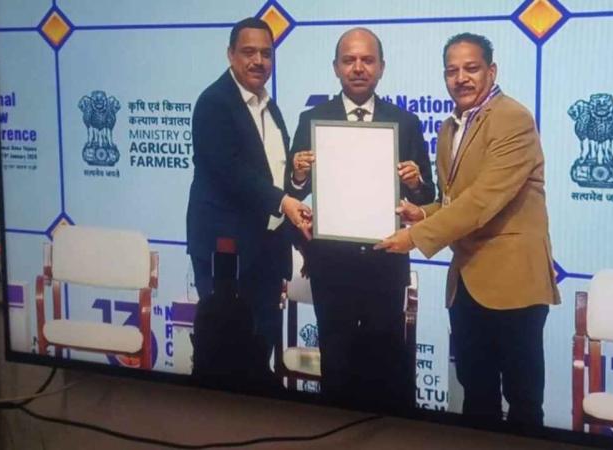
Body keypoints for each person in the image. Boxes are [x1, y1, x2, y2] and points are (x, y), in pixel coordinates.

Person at [375, 32, 560, 426]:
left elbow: (484, 199)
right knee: (476, 394)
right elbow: (453, 201)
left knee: (523, 401)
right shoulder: (448, 127)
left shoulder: (512, 118)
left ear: (491, 71)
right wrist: (422, 213)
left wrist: (416, 237)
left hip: (514, 283)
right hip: (466, 282)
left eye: (471, 68)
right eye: (452, 71)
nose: (461, 78)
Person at [288, 27, 435, 412]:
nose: (358, 68)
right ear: (335, 67)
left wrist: (416, 183)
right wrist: (299, 175)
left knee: (385, 364)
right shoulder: (312, 119)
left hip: (385, 263)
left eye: (367, 60)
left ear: (381, 67)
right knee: (335, 362)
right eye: (349, 60)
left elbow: (427, 198)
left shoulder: (405, 121)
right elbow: (293, 193)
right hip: (331, 267)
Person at [186, 17, 311, 387]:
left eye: (266, 54)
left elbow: (273, 175)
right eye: (249, 52)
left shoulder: (270, 107)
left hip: (268, 251)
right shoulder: (214, 103)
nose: (258, 61)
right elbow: (230, 172)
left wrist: (296, 181)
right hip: (226, 251)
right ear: (230, 55)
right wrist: (283, 201)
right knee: (224, 355)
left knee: (261, 348)